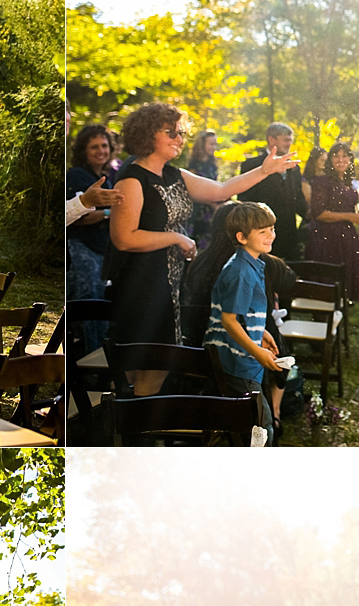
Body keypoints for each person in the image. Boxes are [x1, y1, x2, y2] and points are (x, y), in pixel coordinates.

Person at [106, 103, 301, 393]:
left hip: (170, 287)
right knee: (141, 369)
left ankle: (128, 425)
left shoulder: (175, 175)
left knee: (155, 369)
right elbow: (124, 238)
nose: (179, 139)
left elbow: (221, 190)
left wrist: (264, 170)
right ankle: (124, 427)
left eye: (180, 133)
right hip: (142, 286)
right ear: (147, 134)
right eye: (170, 132)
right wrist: (176, 238)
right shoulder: (132, 179)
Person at [202, 202, 287, 431]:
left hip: (243, 357)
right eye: (262, 231)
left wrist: (262, 333)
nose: (271, 235)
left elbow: (242, 314)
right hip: (237, 362)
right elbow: (228, 320)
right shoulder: (241, 271)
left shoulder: (250, 264)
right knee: (260, 426)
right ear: (242, 237)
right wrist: (257, 350)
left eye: (272, 228)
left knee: (258, 423)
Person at [305, 142, 359, 306]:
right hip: (326, 237)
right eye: (336, 156)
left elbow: (347, 207)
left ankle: (340, 318)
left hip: (346, 235)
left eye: (345, 156)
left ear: (350, 159)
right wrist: (349, 216)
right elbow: (318, 213)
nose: (340, 160)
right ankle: (325, 321)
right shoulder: (321, 181)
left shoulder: (348, 182)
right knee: (328, 280)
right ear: (330, 159)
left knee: (345, 279)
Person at [67, 124, 120, 319]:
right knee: (87, 308)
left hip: (101, 252)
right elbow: (78, 217)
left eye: (104, 146)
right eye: (94, 147)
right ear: (83, 151)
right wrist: (109, 213)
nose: (101, 151)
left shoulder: (104, 179)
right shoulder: (77, 176)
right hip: (81, 252)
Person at [242, 124, 308, 258]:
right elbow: (245, 200)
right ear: (272, 140)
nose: (289, 144)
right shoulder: (252, 165)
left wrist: (310, 215)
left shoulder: (294, 167)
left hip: (288, 233)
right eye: (285, 140)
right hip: (262, 234)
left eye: (290, 140)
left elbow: (298, 198)